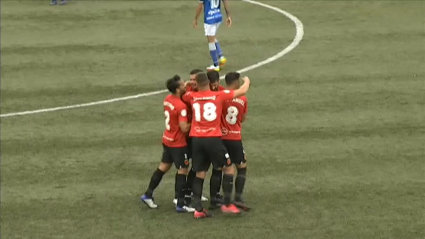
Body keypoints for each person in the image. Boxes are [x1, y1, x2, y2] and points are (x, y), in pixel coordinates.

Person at [182, 72, 251, 219]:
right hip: (212, 138)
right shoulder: (219, 95)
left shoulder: (191, 96)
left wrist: (189, 83)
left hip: (196, 138)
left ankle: (198, 209)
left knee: (200, 172)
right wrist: (247, 81)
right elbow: (242, 91)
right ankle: (227, 204)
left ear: (197, 84)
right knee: (229, 168)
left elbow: (185, 92)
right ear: (208, 82)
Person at [141, 75, 194, 213]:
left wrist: (186, 84)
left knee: (163, 167)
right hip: (178, 143)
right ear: (177, 89)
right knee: (183, 170)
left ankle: (148, 194)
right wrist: (197, 120)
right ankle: (180, 204)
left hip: (167, 139)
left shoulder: (168, 99)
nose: (185, 86)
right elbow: (184, 128)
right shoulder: (181, 106)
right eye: (183, 85)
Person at [221, 72, 249, 211]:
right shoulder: (242, 98)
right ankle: (238, 196)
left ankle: (223, 198)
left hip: (221, 138)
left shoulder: (221, 96)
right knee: (241, 167)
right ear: (237, 83)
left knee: (224, 168)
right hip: (235, 137)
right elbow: (242, 118)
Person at [193, 0, 232, 72]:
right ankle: (221, 57)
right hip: (218, 17)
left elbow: (200, 7)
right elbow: (225, 1)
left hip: (209, 19)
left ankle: (215, 65)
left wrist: (195, 19)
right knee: (213, 37)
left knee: (211, 41)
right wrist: (228, 16)